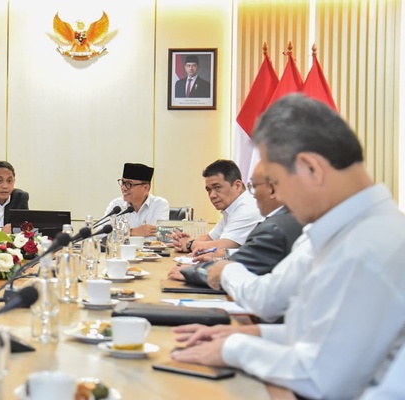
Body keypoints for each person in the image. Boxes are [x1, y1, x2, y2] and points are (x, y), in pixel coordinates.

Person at [171, 94, 405, 399]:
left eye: (277, 183)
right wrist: (244, 333)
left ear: (311, 168)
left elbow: (320, 377)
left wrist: (233, 347)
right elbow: (319, 333)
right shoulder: (349, 230)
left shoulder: (369, 246)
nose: (277, 197)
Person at [168, 162, 302, 287]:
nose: (253, 195)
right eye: (208, 190)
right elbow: (219, 242)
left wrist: (193, 271)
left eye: (254, 187)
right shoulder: (286, 218)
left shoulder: (271, 224)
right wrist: (223, 254)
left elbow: (242, 263)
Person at [170, 159, 262, 254]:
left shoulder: (247, 208)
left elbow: (222, 246)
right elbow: (210, 237)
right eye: (209, 190)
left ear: (237, 186)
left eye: (217, 187)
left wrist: (190, 244)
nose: (212, 195)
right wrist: (183, 242)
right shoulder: (231, 208)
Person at [103, 163, 169, 236]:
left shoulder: (159, 204)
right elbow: (101, 233)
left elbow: (159, 235)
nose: (123, 188)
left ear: (145, 188)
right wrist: (131, 232)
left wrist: (121, 233)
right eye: (122, 183)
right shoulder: (116, 205)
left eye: (128, 184)